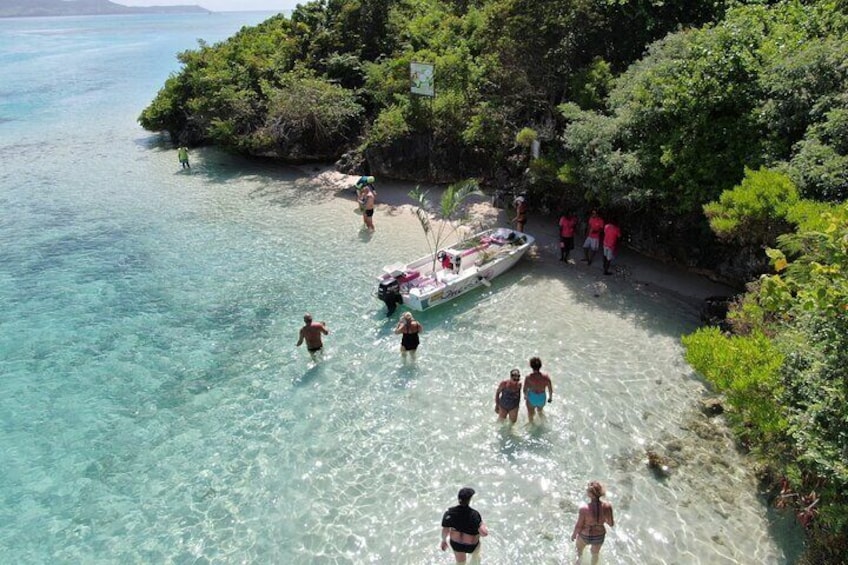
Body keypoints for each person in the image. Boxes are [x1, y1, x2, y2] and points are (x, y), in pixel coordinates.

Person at [440, 487, 489, 564]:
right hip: (471, 546)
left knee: (460, 563)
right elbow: (484, 533)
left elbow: (445, 530)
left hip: (456, 545)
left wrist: (443, 541)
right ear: (469, 499)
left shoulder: (449, 513)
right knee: (475, 557)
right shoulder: (474, 515)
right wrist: (482, 524)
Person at [571, 481, 615, 564]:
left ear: (590, 494)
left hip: (585, 534)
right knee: (595, 554)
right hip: (599, 536)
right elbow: (611, 524)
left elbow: (579, 526)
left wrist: (574, 535)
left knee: (579, 552)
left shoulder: (584, 509)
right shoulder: (608, 506)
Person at [523, 356, 552, 424]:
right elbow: (550, 389)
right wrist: (550, 398)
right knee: (540, 411)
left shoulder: (529, 378)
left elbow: (525, 389)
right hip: (541, 398)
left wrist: (526, 396)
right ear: (540, 366)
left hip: (532, 397)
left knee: (530, 414)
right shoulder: (546, 377)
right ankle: (543, 423)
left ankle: (531, 424)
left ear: (531, 366)